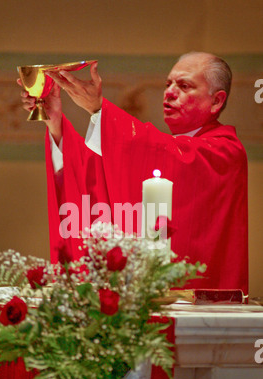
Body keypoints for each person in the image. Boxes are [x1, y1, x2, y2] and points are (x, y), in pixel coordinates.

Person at [19, 51, 249, 295]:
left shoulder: (225, 151)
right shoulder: (166, 150)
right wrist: (55, 122)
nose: (169, 92)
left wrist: (98, 110)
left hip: (203, 304)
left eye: (184, 86)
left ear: (216, 101)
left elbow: (175, 156)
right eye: (168, 84)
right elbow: (94, 178)